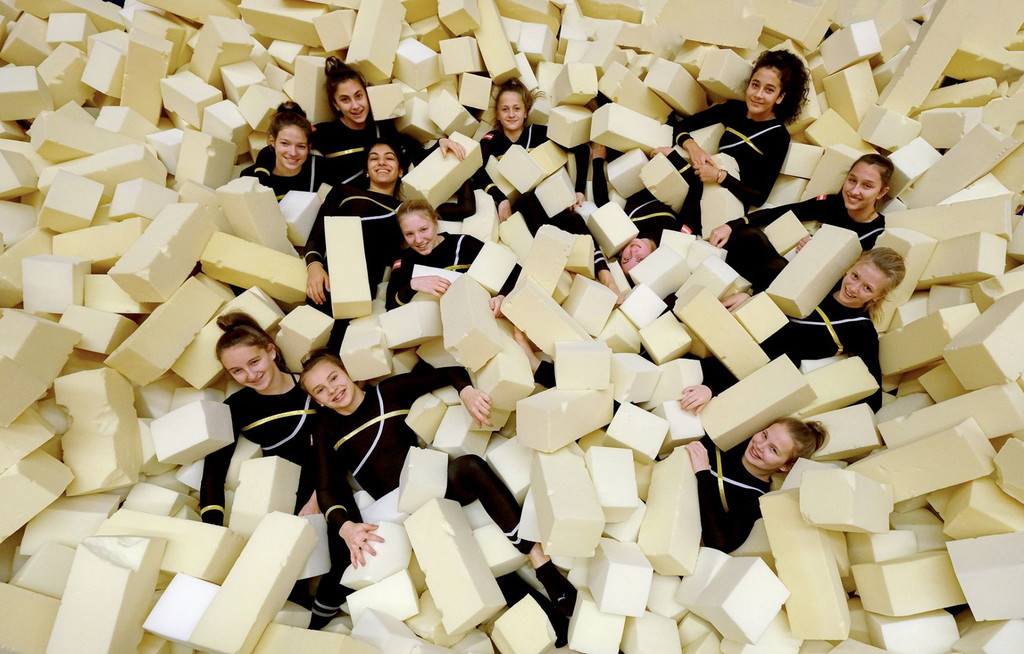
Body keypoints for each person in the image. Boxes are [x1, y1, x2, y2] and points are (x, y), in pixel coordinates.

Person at [298, 352, 577, 632]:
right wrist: (346, 528)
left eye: (333, 377)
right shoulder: (325, 428)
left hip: (433, 485)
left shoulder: (388, 392)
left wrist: (466, 392)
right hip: (400, 514)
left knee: (470, 466)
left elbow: (449, 372)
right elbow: (326, 487)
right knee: (479, 567)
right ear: (317, 401)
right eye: (320, 390)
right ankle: (555, 626)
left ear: (348, 372)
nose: (332, 389)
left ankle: (543, 566)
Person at [681, 248, 907, 413]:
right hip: (729, 333)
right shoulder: (823, 282)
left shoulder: (860, 329)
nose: (853, 288)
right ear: (849, 268)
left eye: (867, 288)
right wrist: (751, 295)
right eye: (855, 276)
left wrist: (712, 387)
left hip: (747, 372)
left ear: (879, 296)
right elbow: (777, 281)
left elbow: (872, 392)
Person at [654, 49, 810, 235]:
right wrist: (693, 148)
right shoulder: (734, 109)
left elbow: (759, 196)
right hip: (699, 184)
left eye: (769, 90)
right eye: (755, 85)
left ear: (780, 97)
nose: (758, 94)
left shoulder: (778, 136)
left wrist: (719, 176)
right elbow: (683, 126)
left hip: (728, 207)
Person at [252, 58, 465, 187]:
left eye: (359, 96)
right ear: (335, 105)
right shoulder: (325, 133)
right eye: (345, 100)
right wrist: (261, 176)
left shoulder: (382, 127)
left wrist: (441, 144)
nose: (355, 106)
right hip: (342, 207)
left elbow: (412, 150)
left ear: (366, 94)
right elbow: (277, 150)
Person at [708, 153, 894, 291]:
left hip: (813, 288)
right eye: (852, 180)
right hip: (788, 265)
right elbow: (779, 213)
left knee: (777, 269)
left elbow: (851, 283)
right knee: (748, 235)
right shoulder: (833, 204)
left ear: (881, 192)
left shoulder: (876, 234)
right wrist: (730, 226)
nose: (854, 191)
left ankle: (747, 296)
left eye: (867, 186)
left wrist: (815, 255)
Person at [199, 312, 319, 527]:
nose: (251, 375)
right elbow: (213, 473)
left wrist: (319, 498)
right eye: (237, 371)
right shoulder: (235, 407)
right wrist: (211, 527)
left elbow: (341, 443)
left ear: (271, 351)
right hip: (280, 509)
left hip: (332, 491)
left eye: (254, 362)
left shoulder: (312, 386)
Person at [680, 419, 827, 552]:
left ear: (786, 466)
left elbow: (720, 543)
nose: (760, 446)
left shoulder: (754, 499)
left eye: (773, 449)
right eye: (764, 435)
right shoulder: (731, 441)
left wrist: (703, 473)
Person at [474, 78, 590, 223]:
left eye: (517, 108)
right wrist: (501, 199)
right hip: (522, 210)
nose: (511, 114)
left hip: (554, 203)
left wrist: (579, 190)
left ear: (525, 112)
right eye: (505, 109)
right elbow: (475, 168)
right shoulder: (493, 139)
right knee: (528, 198)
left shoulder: (539, 133)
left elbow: (582, 150)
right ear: (497, 114)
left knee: (575, 221)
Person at [385, 199, 521, 311]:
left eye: (423, 229)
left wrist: (502, 297)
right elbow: (390, 307)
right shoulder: (404, 260)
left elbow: (516, 273)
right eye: (409, 234)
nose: (419, 240)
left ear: (435, 223)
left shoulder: (464, 243)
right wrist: (412, 285)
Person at [590, 143, 685, 276]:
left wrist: (597, 160)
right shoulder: (672, 238)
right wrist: (671, 155)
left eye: (626, 259)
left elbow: (603, 204)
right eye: (640, 259)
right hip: (663, 166)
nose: (632, 251)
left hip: (630, 170)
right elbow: (693, 196)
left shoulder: (623, 235)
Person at [239, 102, 329, 199]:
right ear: (273, 141)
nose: (293, 153)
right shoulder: (250, 179)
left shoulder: (321, 170)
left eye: (301, 146)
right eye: (285, 143)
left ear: (309, 147)